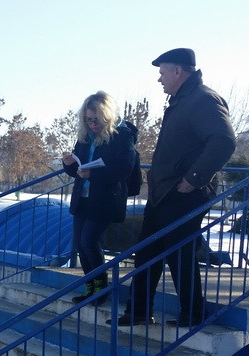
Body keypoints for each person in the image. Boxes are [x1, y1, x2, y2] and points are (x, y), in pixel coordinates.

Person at [114, 48, 236, 327]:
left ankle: (192, 314)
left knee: (179, 254)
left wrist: (194, 178)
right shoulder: (182, 100)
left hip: (184, 193)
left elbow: (224, 141)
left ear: (178, 71)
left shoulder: (203, 99)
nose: (159, 79)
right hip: (164, 193)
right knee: (147, 252)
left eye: (162, 72)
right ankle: (139, 312)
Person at [61, 92, 138, 304]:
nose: (93, 124)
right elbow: (79, 170)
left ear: (107, 116)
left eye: (97, 120)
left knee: (89, 241)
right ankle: (91, 288)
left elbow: (124, 169)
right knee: (79, 244)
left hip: (106, 199)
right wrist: (69, 165)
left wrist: (93, 174)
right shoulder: (85, 136)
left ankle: (102, 288)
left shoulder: (122, 136)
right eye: (88, 120)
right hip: (83, 197)